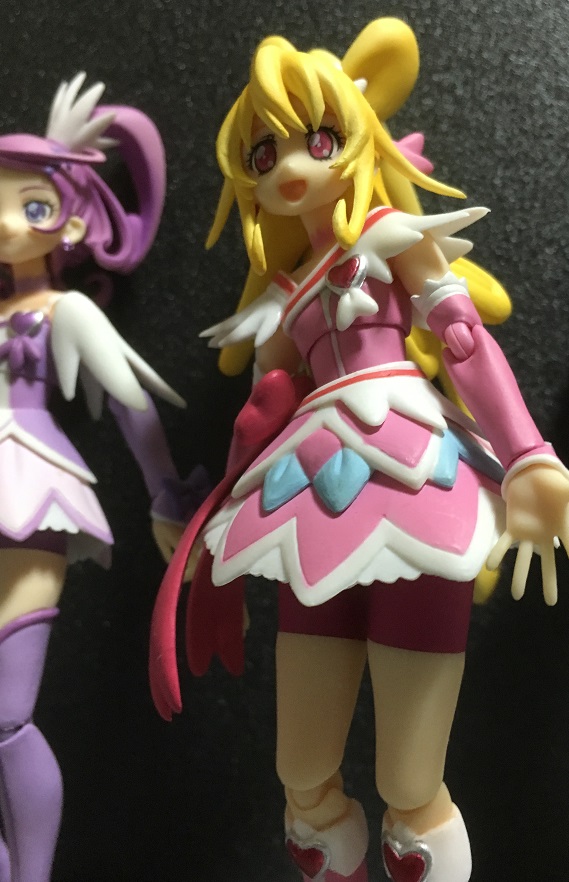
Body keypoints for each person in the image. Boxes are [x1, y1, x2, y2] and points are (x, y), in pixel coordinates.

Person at [150, 19, 569, 882]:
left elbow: (462, 342)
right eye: (262, 155)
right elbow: (259, 415)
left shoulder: (391, 238)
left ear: (356, 137)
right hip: (307, 490)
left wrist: (527, 454)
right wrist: (210, 524)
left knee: (409, 784)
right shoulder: (282, 295)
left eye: (316, 140)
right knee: (302, 777)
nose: (288, 167)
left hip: (414, 471)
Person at [0, 72, 205, 882]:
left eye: (33, 205)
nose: (8, 221)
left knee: (9, 718)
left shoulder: (66, 312)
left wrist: (166, 494)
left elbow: (130, 402)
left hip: (31, 489)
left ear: (75, 219)